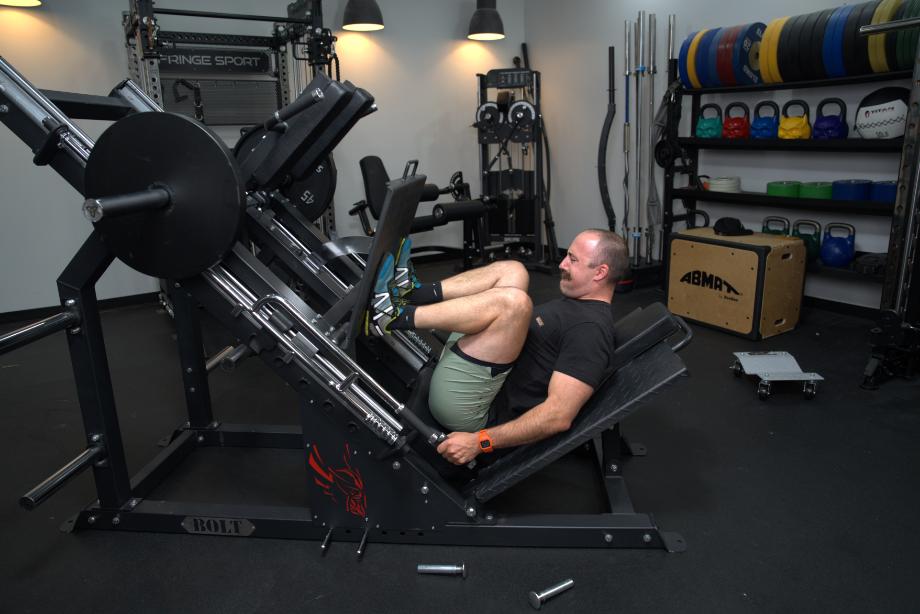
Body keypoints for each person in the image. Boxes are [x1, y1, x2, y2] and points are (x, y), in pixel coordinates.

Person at [367, 229, 629, 466]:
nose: (561, 264)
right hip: (478, 374)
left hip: (475, 410)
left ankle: (392, 318)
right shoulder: (579, 306)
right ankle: (413, 292)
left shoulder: (591, 333)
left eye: (572, 259)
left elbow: (558, 415)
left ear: (600, 273)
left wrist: (479, 442)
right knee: (514, 270)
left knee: (514, 304)